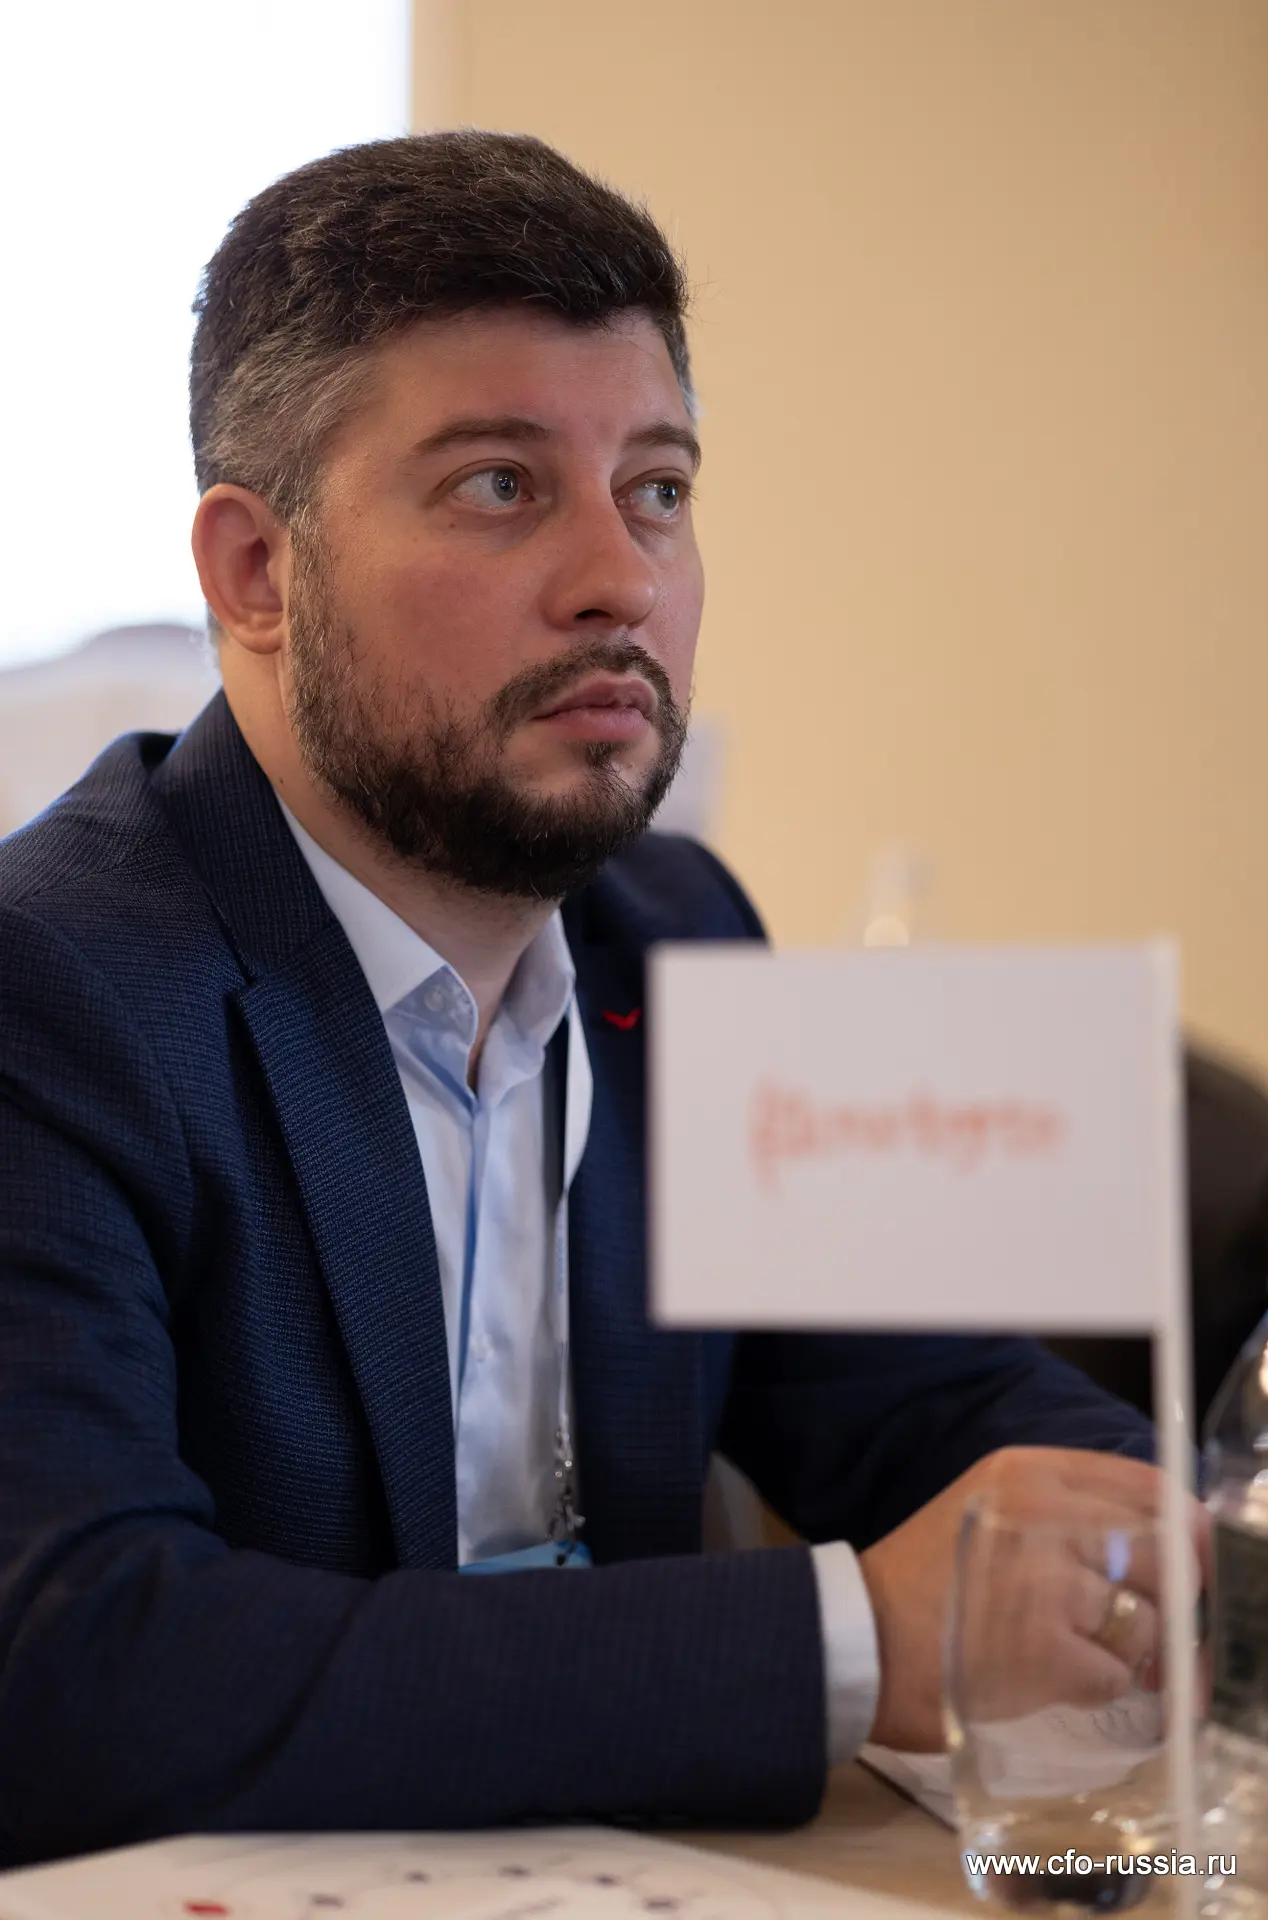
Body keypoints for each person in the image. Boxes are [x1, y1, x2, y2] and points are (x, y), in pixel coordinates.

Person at [0, 131, 1160, 1865]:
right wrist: (853, 1640)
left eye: (659, 488)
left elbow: (929, 1407)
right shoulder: (52, 990)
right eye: (500, 485)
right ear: (256, 574)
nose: (621, 577)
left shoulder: (676, 934)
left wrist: (1187, 1541)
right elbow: (73, 1666)